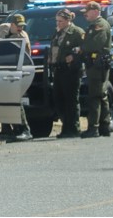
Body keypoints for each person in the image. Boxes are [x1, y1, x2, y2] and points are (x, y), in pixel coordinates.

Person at [0, 13, 33, 141]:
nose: (21, 28)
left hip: (13, 71)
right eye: (19, 26)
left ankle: (24, 130)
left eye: (22, 26)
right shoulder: (2, 29)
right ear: (12, 24)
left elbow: (27, 57)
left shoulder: (23, 37)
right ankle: (5, 129)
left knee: (14, 100)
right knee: (1, 100)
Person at [48, 9, 85, 138]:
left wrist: (74, 56)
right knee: (59, 99)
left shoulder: (76, 32)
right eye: (57, 21)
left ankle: (73, 128)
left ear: (68, 20)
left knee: (71, 101)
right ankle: (66, 126)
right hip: (58, 69)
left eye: (61, 21)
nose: (58, 23)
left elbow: (84, 48)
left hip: (71, 71)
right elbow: (54, 47)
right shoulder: (57, 32)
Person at [79, 1, 112, 138]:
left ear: (95, 11)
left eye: (87, 11)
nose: (85, 15)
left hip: (98, 64)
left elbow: (93, 44)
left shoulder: (100, 25)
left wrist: (81, 47)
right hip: (94, 64)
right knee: (101, 95)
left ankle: (94, 127)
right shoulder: (94, 25)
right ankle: (104, 126)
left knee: (95, 96)